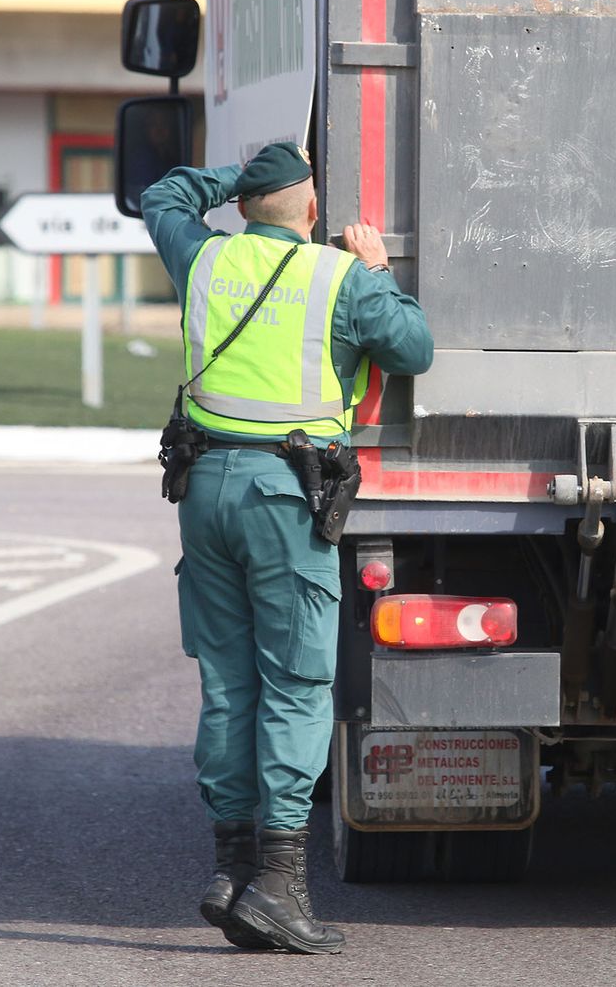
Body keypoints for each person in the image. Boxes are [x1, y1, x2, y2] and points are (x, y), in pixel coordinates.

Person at [140, 143, 433, 955]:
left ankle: (231, 870)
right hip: (284, 499)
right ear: (312, 211)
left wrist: (243, 176)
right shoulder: (340, 280)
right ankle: (278, 884)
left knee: (228, 683)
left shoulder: (203, 258)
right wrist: (377, 270)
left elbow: (163, 196)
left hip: (205, 491)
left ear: (243, 206)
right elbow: (413, 349)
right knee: (297, 685)